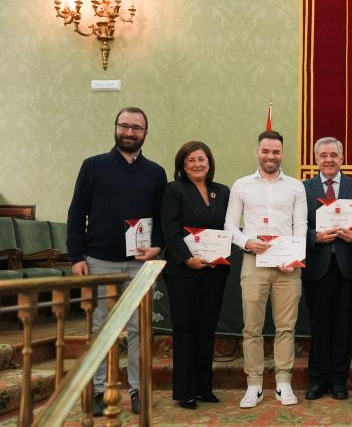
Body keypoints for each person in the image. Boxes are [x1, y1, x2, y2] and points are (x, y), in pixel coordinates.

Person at [67, 107, 167, 416]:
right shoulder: (93, 166)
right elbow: (76, 212)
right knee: (101, 330)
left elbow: (162, 218)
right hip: (99, 262)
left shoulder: (155, 172)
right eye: (125, 126)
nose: (130, 132)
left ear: (145, 133)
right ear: (116, 128)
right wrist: (76, 257)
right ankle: (99, 391)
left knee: (140, 331)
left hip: (139, 264)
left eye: (137, 128)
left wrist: (158, 246)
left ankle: (138, 391)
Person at [225, 130, 307, 409]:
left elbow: (301, 226)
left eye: (276, 152)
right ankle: (255, 385)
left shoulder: (296, 187)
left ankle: (284, 382)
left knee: (286, 327)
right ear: (257, 152)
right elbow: (229, 225)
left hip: (287, 267)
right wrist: (246, 242)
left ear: (282, 153)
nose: (270, 156)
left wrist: (294, 256)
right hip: (253, 263)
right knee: (252, 327)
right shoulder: (241, 185)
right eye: (266, 151)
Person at [160, 141, 230, 409]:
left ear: (209, 163)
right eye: (191, 160)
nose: (198, 164)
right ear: (182, 165)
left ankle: (204, 388)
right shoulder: (174, 190)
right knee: (186, 329)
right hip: (183, 271)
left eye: (202, 159)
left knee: (207, 330)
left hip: (215, 271)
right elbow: (170, 230)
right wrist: (188, 259)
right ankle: (185, 391)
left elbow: (228, 227)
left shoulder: (221, 192)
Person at [302, 137, 352, 401]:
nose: (328, 159)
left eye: (333, 155)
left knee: (342, 326)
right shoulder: (303, 189)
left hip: (347, 267)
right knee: (319, 325)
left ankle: (339, 380)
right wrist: (314, 237)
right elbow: (295, 225)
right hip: (316, 266)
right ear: (316, 159)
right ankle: (317, 380)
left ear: (342, 157)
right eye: (323, 155)